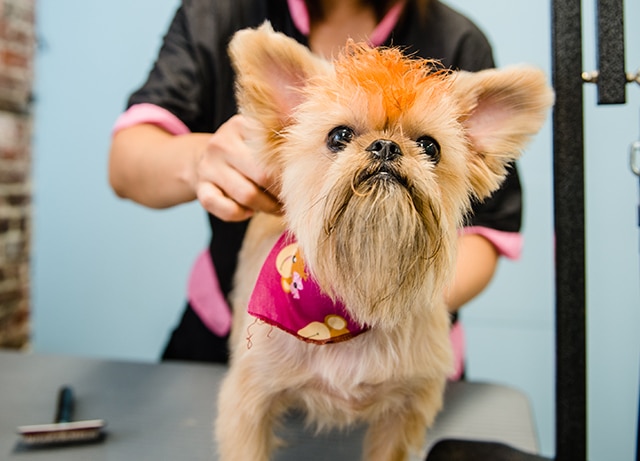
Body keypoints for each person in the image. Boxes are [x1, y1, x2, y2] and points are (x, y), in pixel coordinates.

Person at [108, 0, 523, 378]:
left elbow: (487, 231)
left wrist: (390, 302)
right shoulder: (217, 12)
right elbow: (126, 162)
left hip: (402, 357)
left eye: (426, 147)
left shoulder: (455, 39)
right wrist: (200, 161)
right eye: (342, 137)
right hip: (239, 340)